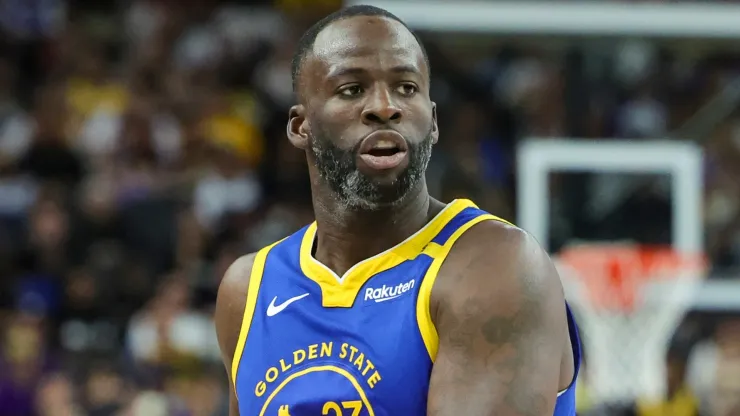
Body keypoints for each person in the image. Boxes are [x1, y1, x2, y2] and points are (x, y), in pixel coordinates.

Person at [215, 5, 580, 415]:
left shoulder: (493, 266)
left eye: (406, 88)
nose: (386, 107)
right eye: (352, 89)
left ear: (434, 121)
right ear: (301, 127)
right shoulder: (249, 290)